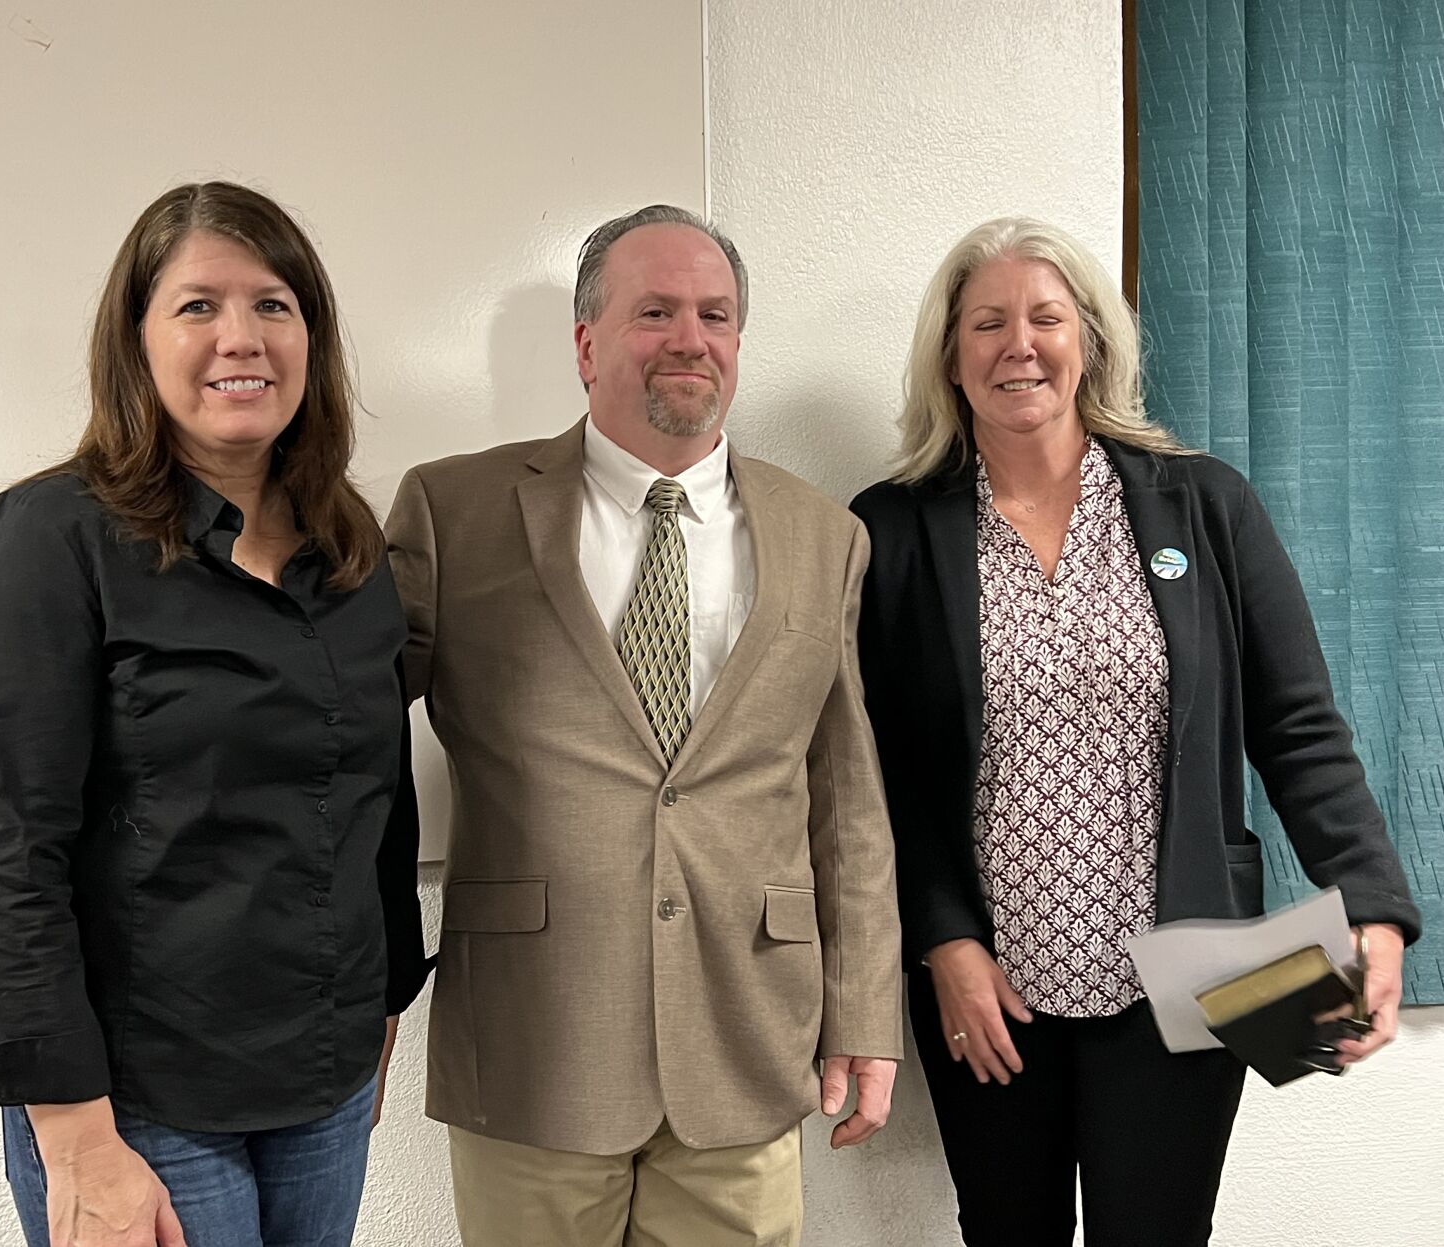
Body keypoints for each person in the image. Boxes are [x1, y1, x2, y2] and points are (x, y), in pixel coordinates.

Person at [849, 217, 1422, 1247]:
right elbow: (877, 773)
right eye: (987, 322)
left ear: (1092, 343)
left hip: (1186, 975)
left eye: (1046, 318)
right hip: (990, 990)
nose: (1018, 344)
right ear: (949, 354)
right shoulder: (891, 531)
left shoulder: (1204, 504)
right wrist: (944, 939)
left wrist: (1373, 905)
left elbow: (1298, 729)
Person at [385, 205, 902, 1246]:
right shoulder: (455, 510)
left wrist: (863, 1007)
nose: (689, 338)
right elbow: (334, 754)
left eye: (715, 314)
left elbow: (847, 793)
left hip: (747, 1036)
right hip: (534, 1037)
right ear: (586, 342)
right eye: (654, 310)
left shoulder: (824, 534)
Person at [0, 181, 431, 1247]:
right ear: (137, 340)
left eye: (273, 304)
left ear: (312, 336)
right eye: (198, 305)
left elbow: (376, 799)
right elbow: (3, 852)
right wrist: (74, 1137)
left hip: (324, 1079)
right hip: (138, 1098)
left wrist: (385, 1001)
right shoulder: (47, 540)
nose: (239, 337)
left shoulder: (349, 546)